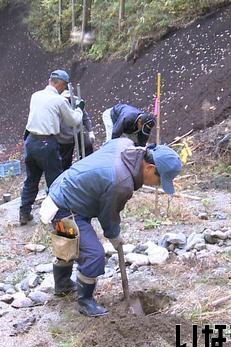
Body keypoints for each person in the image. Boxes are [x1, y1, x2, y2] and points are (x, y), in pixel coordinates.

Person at [41, 138, 182, 317]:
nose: (158, 185)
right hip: (65, 205)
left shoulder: (124, 144)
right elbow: (109, 214)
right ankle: (85, 301)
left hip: (66, 187)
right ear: (149, 168)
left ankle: (63, 286)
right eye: (159, 180)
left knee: (69, 244)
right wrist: (114, 236)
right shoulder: (121, 183)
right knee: (94, 254)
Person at [20, 69, 84, 225]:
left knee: (32, 178)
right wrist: (79, 109)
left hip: (30, 141)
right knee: (54, 180)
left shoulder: (35, 96)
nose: (64, 89)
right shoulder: (59, 100)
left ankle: (24, 213)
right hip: (46, 143)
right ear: (60, 84)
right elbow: (73, 121)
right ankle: (57, 217)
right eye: (64, 86)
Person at [58, 90, 95, 170]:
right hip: (65, 136)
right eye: (66, 98)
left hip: (78, 132)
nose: (68, 100)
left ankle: (86, 168)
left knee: (87, 146)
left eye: (69, 97)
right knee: (65, 161)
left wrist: (90, 131)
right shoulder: (59, 104)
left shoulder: (77, 101)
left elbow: (85, 117)